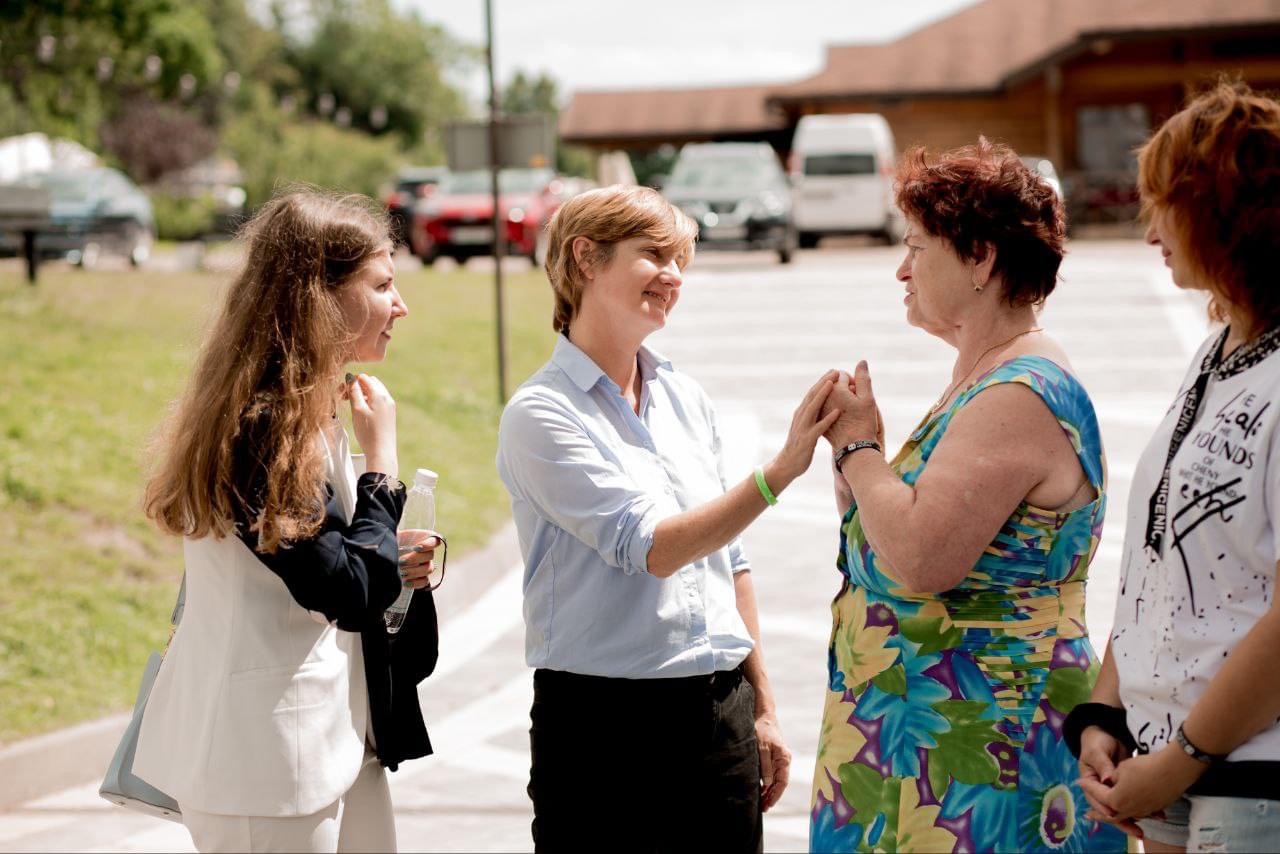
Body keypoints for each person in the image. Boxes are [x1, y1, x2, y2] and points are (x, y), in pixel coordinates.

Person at [496, 185, 839, 853]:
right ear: (585, 258)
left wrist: (764, 708)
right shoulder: (541, 413)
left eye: (681, 260)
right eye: (654, 255)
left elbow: (730, 562)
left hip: (719, 716)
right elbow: (652, 548)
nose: (674, 276)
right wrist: (778, 473)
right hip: (602, 730)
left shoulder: (684, 397)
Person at [809, 140, 1126, 853]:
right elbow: (898, 542)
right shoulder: (983, 376)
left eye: (916, 248)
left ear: (980, 258)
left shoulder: (1018, 391)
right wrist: (859, 472)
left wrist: (859, 450)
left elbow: (925, 558)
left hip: (985, 749)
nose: (901, 269)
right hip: (929, 738)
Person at [133, 188, 442, 853]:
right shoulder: (262, 426)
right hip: (265, 763)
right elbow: (348, 593)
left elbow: (333, 562)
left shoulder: (308, 411)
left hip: (332, 738)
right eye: (382, 285)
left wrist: (388, 549)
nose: (401, 305)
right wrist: (383, 469)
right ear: (318, 297)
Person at [1072, 81, 1280, 852]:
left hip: (1249, 772)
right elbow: (1160, 563)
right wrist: (1107, 713)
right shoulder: (1216, 353)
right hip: (1166, 764)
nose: (1148, 227)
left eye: (1165, 202)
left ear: (1227, 211)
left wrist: (1182, 759)